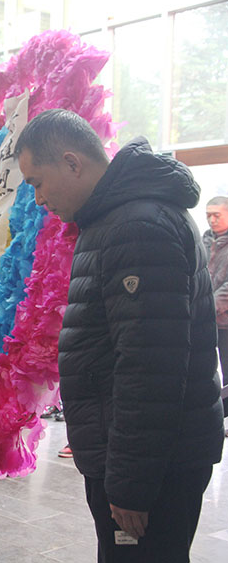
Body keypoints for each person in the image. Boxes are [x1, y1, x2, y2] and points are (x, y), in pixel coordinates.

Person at [15, 109, 224, 562]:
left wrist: (132, 484)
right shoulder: (115, 219)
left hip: (154, 464)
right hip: (140, 453)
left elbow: (150, 368)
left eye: (37, 182)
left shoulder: (137, 226)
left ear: (72, 163)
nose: (38, 198)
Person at [202, 196, 228, 428]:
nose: (212, 219)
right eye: (208, 215)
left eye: (216, 215)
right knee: (207, 371)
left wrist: (208, 306)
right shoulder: (204, 240)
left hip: (224, 320)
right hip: (206, 321)